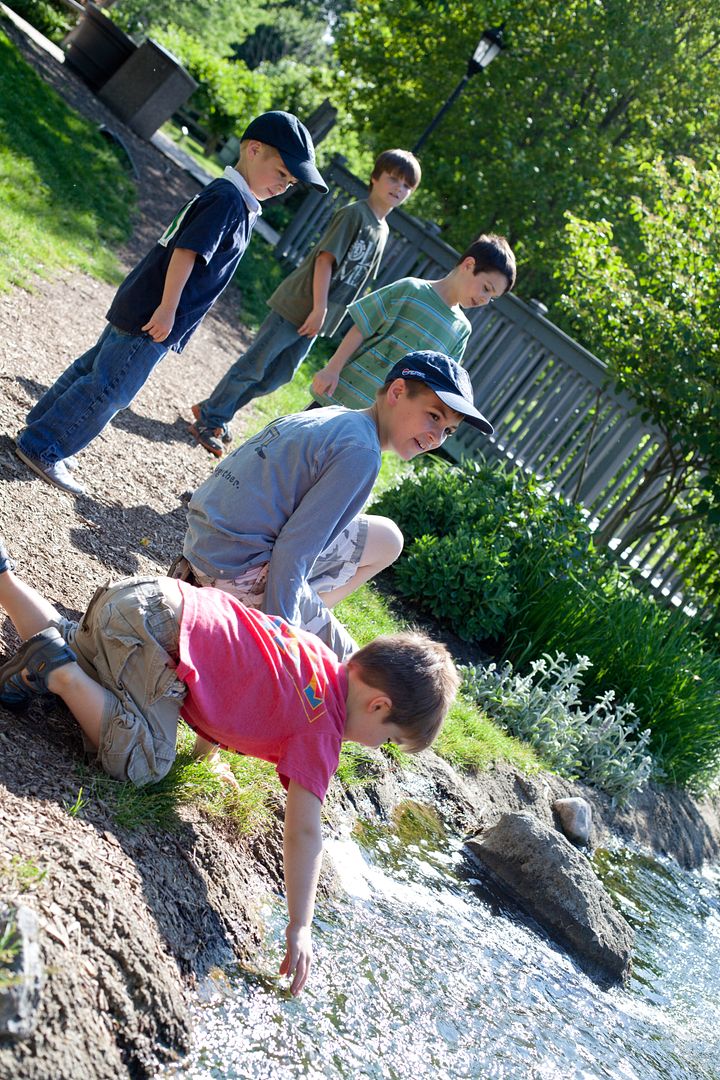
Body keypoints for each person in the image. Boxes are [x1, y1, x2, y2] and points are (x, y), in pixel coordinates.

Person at [0, 538, 460, 995]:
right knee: (145, 764)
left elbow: (236, 668)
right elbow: (304, 831)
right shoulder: (323, 729)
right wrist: (300, 925)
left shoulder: (318, 657)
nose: (380, 748)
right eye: (391, 741)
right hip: (152, 634)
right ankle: (61, 675)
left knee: (69, 640)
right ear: (379, 707)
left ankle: (6, 579)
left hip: (146, 600)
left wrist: (205, 756)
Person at [14, 111, 328, 497]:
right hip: (155, 315)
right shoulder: (228, 201)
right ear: (254, 149)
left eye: (291, 181)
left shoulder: (233, 199)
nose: (284, 186)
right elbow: (186, 252)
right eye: (281, 173)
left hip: (145, 304)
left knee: (93, 369)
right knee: (110, 387)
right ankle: (44, 446)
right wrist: (167, 308)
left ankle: (41, 428)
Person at [179, 350, 495, 661]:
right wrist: (278, 634)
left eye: (448, 431)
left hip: (206, 543)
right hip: (232, 569)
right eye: (434, 416)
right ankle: (284, 620)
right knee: (353, 672)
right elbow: (294, 547)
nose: (437, 437)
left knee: (387, 538)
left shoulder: (341, 418)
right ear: (397, 392)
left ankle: (308, 611)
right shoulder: (361, 453)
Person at [188, 148, 421, 457]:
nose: (399, 188)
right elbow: (325, 261)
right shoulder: (355, 214)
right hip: (301, 305)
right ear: (375, 178)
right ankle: (210, 419)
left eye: (407, 185)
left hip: (318, 319)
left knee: (277, 376)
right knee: (254, 366)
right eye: (393, 179)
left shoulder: (383, 230)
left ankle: (216, 410)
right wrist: (319, 307)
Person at [310, 233, 516, 410]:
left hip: (378, 421)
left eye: (492, 297)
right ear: (469, 265)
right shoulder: (410, 289)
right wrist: (332, 369)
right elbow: (361, 328)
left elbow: (432, 386)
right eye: (486, 288)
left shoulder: (461, 330)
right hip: (337, 396)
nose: (485, 299)